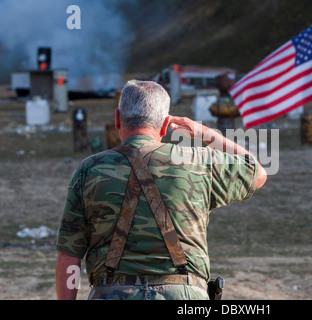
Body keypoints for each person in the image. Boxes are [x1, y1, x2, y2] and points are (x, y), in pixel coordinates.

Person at [55, 80, 267, 300]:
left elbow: (70, 256)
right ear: (165, 126)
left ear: (117, 118)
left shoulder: (90, 170)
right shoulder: (198, 163)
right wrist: (203, 133)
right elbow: (258, 172)